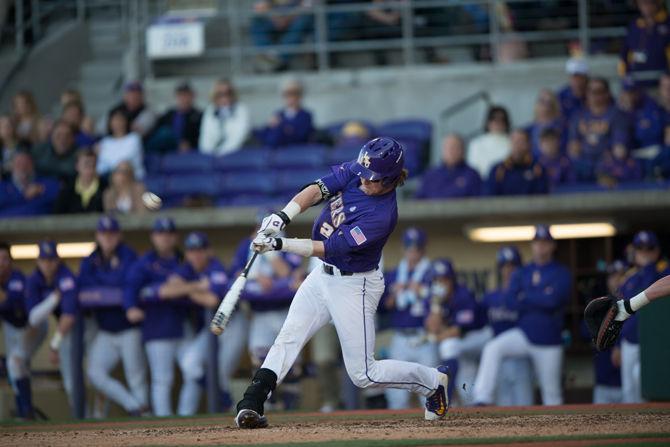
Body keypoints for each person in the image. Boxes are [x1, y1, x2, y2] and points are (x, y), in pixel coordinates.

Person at [234, 137, 451, 429]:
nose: (363, 180)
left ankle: (432, 383)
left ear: (389, 180)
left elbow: (328, 246)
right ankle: (251, 403)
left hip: (355, 286)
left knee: (364, 374)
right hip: (321, 276)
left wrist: (279, 244)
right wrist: (282, 216)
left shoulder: (381, 216)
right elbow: (316, 188)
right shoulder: (361, 168)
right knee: (289, 337)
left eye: (371, 179)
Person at [473, 225, 571, 406]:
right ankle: (482, 397)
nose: (541, 246)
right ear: (532, 245)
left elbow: (554, 301)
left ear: (552, 246)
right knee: (493, 348)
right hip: (524, 335)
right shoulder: (523, 271)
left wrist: (526, 296)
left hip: (549, 341)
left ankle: (560, 432)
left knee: (552, 395)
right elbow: (510, 300)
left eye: (545, 242)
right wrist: (541, 295)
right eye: (537, 242)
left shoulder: (561, 272)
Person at [78, 217, 147, 416]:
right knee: (94, 373)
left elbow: (129, 282)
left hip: (129, 329)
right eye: (103, 234)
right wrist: (112, 286)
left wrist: (102, 287)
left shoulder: (129, 255)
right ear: (97, 236)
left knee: (136, 377)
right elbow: (84, 285)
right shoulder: (90, 259)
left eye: (112, 234)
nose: (107, 238)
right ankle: (134, 406)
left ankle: (148, 425)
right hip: (105, 330)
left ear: (119, 235)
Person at [232, 221, 304, 410]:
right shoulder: (246, 247)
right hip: (260, 314)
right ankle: (267, 404)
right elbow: (236, 275)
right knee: (260, 360)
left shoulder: (287, 244)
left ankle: (291, 410)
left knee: (290, 364)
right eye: (259, 229)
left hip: (286, 312)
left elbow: (289, 274)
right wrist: (257, 278)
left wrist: (270, 252)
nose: (262, 233)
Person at [123, 218, 186, 417]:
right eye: (160, 234)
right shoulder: (145, 262)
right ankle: (163, 423)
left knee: (194, 371)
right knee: (162, 379)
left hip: (184, 326)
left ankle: (188, 418)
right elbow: (131, 287)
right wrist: (131, 306)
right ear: (153, 237)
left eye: (169, 234)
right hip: (156, 326)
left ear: (175, 237)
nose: (165, 238)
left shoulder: (183, 259)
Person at [159, 232, 227, 415]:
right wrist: (196, 287)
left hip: (230, 325)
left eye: (200, 250)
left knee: (222, 371)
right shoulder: (187, 269)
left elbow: (212, 300)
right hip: (209, 328)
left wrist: (183, 289)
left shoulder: (216, 267)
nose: (196, 255)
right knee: (191, 366)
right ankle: (223, 399)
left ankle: (230, 404)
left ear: (209, 251)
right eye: (191, 251)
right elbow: (165, 291)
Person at [381, 228, 436, 409]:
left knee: (430, 386)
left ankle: (436, 429)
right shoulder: (395, 274)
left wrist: (420, 290)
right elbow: (384, 305)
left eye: (416, 248)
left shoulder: (432, 272)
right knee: (396, 392)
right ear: (403, 249)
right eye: (409, 248)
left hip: (424, 336)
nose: (413, 252)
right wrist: (396, 294)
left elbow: (441, 299)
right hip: (400, 337)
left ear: (423, 250)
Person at [425, 258, 490, 405]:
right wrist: (436, 305)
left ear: (452, 280)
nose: (440, 283)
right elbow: (432, 327)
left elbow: (458, 330)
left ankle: (445, 399)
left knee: (448, 346)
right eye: (437, 280)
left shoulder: (463, 294)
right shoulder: (435, 298)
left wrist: (436, 337)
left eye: (444, 279)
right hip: (462, 343)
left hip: (480, 336)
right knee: (466, 388)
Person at [25, 241, 79, 410]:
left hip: (83, 325)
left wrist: (54, 345)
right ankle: (81, 421)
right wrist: (54, 298)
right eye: (44, 260)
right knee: (70, 378)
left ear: (58, 260)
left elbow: (69, 316)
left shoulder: (66, 276)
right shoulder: (34, 279)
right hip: (66, 329)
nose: (47, 264)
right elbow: (34, 319)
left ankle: (89, 420)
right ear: (38, 261)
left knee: (83, 375)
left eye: (51, 260)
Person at [615, 231, 666, 403]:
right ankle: (633, 428)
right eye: (640, 248)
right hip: (630, 340)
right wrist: (617, 344)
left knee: (649, 387)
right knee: (629, 391)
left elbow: (650, 294)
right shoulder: (629, 278)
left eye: (649, 248)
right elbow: (620, 312)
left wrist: (649, 267)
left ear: (657, 251)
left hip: (656, 342)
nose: (644, 252)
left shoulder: (663, 272)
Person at [480, 246, 533, 406]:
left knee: (525, 407)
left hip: (521, 358)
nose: (509, 270)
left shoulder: (526, 296)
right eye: (505, 266)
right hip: (500, 361)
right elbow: (480, 324)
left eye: (513, 266)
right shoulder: (491, 296)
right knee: (503, 410)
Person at [568, 78, 630, 182]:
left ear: (607, 94)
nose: (595, 95)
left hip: (607, 164)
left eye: (599, 92)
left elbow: (620, 149)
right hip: (584, 164)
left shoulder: (616, 115)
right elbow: (573, 148)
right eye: (591, 91)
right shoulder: (578, 116)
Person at [0, 242, 36, 419]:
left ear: (11, 260)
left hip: (28, 326)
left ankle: (26, 411)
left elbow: (13, 304)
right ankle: (24, 413)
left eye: (5, 259)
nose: (1, 263)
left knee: (16, 364)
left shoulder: (17, 278)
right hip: (10, 328)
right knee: (16, 370)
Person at [589, 259, 627, 405]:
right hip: (603, 383)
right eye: (613, 276)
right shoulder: (599, 305)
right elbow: (585, 332)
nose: (617, 280)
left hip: (627, 381)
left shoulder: (637, 303)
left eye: (621, 275)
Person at [250, 0, 314, 72]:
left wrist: (288, 18)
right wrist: (275, 18)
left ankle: (277, 57)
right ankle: (267, 53)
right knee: (257, 21)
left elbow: (308, 6)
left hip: (295, 18)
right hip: (273, 18)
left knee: (303, 22)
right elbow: (258, 7)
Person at [415, 134, 482, 199]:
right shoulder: (430, 175)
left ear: (463, 150)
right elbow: (418, 202)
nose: (451, 151)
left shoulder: (472, 175)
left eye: (455, 147)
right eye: (448, 148)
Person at [619, 0, 670, 86]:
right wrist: (624, 75)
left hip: (661, 81)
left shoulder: (667, 23)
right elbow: (625, 51)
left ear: (658, 3)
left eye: (648, 2)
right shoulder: (634, 24)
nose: (645, 7)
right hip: (636, 80)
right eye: (641, 3)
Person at [487, 129, 548, 196]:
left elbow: (542, 197)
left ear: (529, 145)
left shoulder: (538, 169)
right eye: (514, 142)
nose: (517, 146)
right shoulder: (498, 170)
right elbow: (489, 197)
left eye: (521, 142)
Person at [198, 79, 251, 156]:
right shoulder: (210, 110)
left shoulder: (241, 109)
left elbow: (238, 137)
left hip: (236, 154)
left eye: (228, 93)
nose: (224, 96)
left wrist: (219, 154)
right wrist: (208, 155)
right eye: (219, 94)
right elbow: (205, 136)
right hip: (213, 156)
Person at [0, 151, 60, 218]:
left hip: (40, 226)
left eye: (27, 163)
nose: (23, 167)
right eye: (18, 164)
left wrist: (41, 189)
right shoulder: (3, 186)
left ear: (33, 165)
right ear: (12, 167)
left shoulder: (45, 183)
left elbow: (60, 193)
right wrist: (23, 195)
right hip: (6, 226)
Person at [149, 82, 202, 154]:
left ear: (192, 96)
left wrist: (190, 144)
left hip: (188, 150)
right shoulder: (169, 114)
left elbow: (201, 136)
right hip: (167, 148)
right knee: (164, 132)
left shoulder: (198, 116)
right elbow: (156, 130)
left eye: (186, 95)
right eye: (180, 95)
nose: (183, 98)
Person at [260, 78, 314, 148]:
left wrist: (280, 126)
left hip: (297, 152)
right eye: (287, 94)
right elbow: (266, 136)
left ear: (300, 95)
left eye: (295, 93)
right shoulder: (278, 114)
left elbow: (299, 136)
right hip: (276, 152)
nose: (291, 97)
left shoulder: (306, 115)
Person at [54, 149, 107, 214]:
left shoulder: (105, 187)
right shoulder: (67, 189)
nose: (90, 168)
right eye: (86, 164)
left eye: (93, 165)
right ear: (77, 166)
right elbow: (58, 215)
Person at [96, 109, 144, 180]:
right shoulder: (105, 141)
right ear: (110, 123)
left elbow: (126, 158)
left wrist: (106, 157)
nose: (117, 123)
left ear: (126, 122)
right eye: (114, 120)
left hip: (133, 177)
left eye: (120, 120)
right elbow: (101, 166)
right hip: (108, 178)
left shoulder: (134, 138)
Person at [618, 77, 664, 149]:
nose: (630, 96)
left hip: (651, 148)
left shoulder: (650, 105)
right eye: (627, 92)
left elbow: (655, 132)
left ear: (638, 91)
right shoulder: (620, 108)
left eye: (632, 92)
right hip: (632, 151)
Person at [467, 105, 512, 178]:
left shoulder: (512, 143)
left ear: (506, 123)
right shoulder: (476, 144)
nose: (498, 123)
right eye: (494, 119)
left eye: (502, 119)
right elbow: (473, 170)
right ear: (488, 122)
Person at [525, 89, 565, 157]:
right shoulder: (528, 129)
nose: (546, 105)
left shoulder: (562, 126)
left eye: (549, 102)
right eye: (542, 101)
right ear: (537, 104)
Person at [558, 58, 589, 122]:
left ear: (586, 77)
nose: (577, 80)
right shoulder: (561, 95)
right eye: (574, 77)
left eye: (580, 77)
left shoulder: (594, 92)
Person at [0, 115, 29, 180]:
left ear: (13, 127)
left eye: (8, 125)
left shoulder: (25, 144)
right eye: (2, 126)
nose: (5, 129)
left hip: (21, 180)